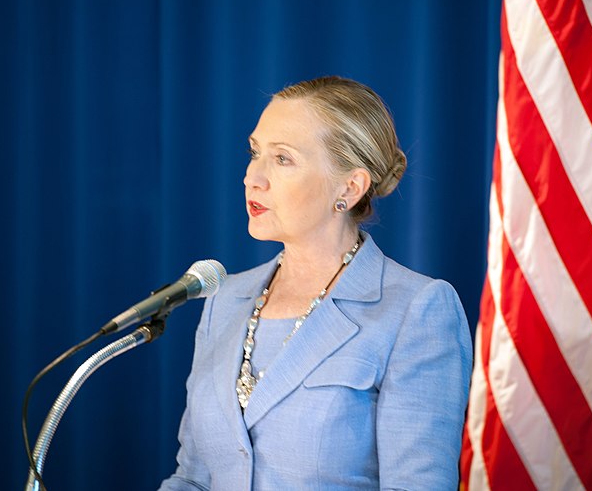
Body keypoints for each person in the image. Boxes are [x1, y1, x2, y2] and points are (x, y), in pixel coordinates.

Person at [158, 76, 472, 490]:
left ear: (349, 187)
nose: (253, 177)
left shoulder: (418, 310)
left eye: (283, 159)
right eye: (255, 153)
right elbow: (192, 478)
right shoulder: (224, 298)